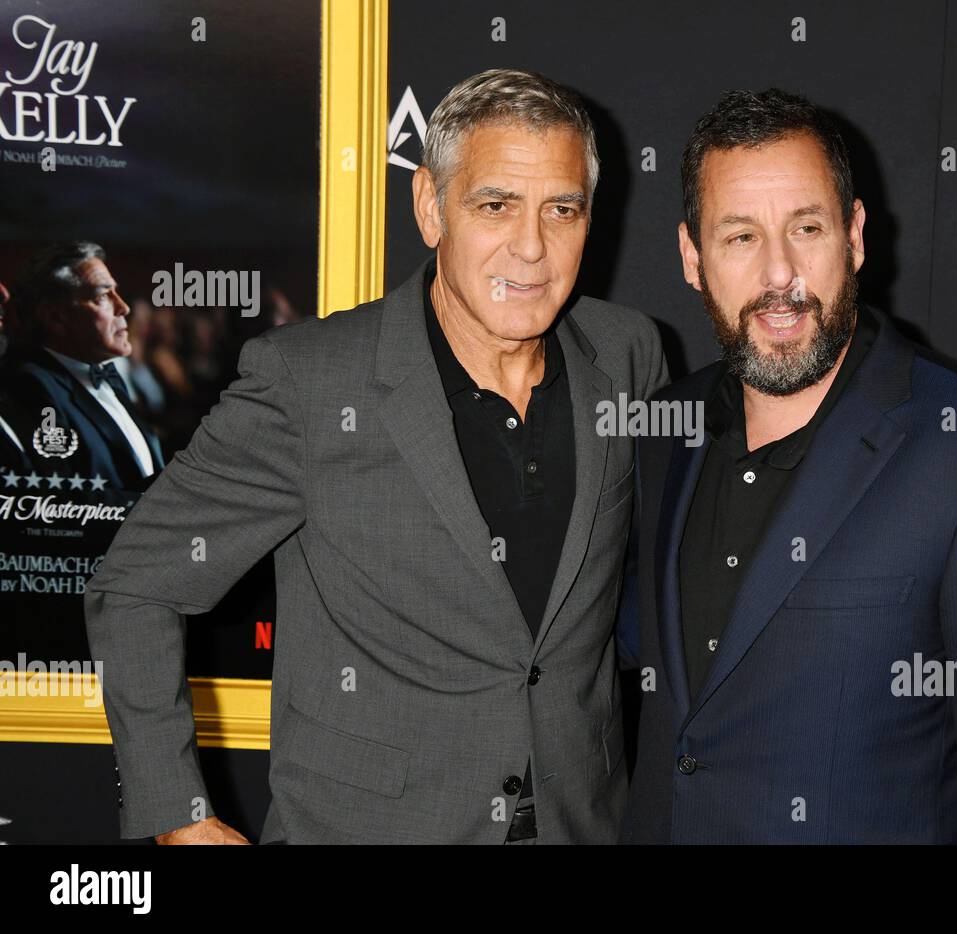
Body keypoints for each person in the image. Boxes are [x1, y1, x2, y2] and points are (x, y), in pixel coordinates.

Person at [85, 68, 667, 844]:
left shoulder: (628, 355)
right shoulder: (310, 383)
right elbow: (136, 586)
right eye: (495, 205)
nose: (531, 247)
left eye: (562, 210)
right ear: (430, 205)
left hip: (580, 823)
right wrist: (177, 814)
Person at [619, 89, 957, 843]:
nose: (780, 274)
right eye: (740, 237)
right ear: (692, 258)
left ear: (854, 236)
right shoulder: (658, 435)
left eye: (805, 228)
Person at [1, 244, 163, 492]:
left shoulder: (108, 373)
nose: (123, 308)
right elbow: (62, 501)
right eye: (101, 296)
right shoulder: (32, 385)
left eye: (116, 293)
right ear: (55, 317)